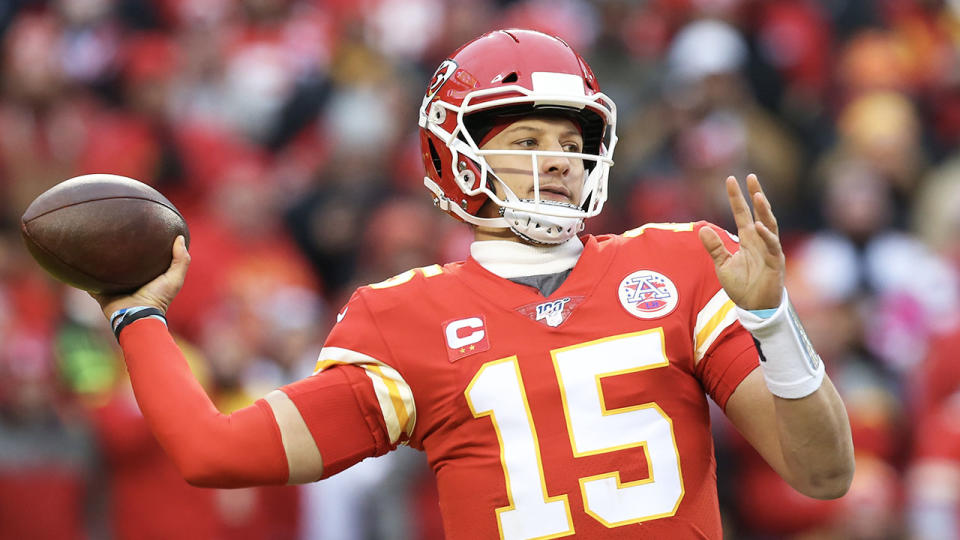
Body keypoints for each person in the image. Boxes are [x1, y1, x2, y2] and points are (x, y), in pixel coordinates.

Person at [92, 29, 854, 539]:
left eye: (570, 142)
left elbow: (822, 474)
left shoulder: (683, 262)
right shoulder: (402, 319)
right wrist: (139, 317)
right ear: (458, 159)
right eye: (526, 141)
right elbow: (212, 452)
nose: (558, 161)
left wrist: (774, 321)